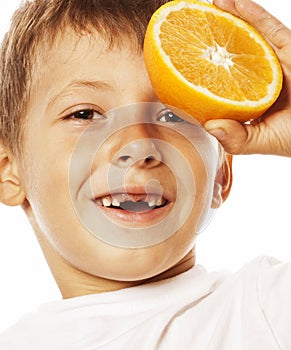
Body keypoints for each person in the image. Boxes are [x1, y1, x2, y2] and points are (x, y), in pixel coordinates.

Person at [0, 0, 290, 349]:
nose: (139, 145)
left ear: (221, 174)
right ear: (8, 172)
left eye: (173, 116)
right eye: (85, 114)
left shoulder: (266, 310)